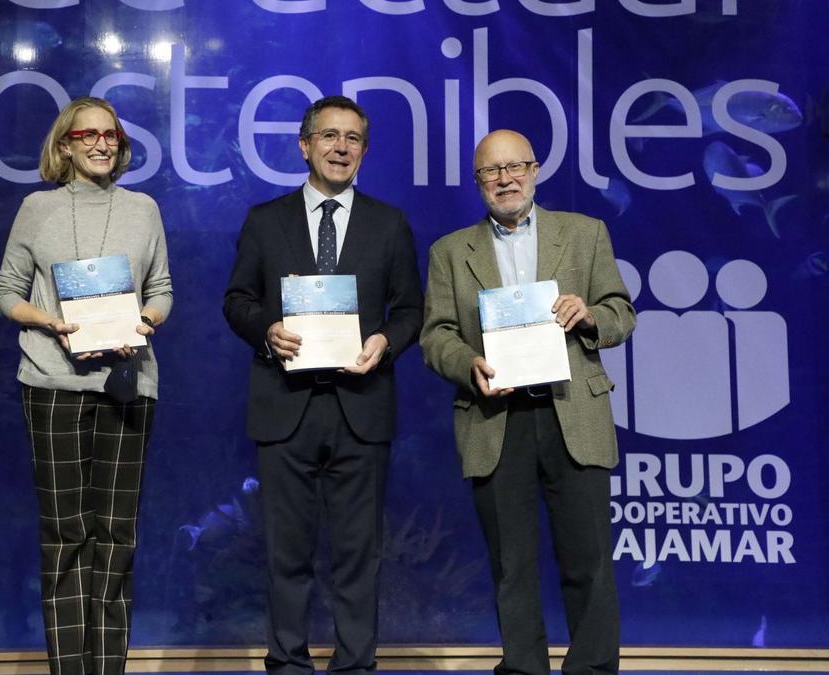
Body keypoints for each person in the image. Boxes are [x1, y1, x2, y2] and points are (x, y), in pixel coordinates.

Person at [420, 129, 636, 675]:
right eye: (492, 171)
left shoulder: (585, 234)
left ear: (536, 170)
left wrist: (589, 317)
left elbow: (621, 312)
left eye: (516, 167)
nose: (506, 179)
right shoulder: (449, 251)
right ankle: (523, 668)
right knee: (511, 565)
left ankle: (591, 669)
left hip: (574, 413)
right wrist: (468, 364)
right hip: (496, 417)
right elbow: (436, 335)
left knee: (588, 561)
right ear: (478, 182)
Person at [223, 95, 422, 675]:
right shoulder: (265, 220)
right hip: (285, 405)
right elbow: (237, 301)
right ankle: (287, 663)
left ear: (364, 150)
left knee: (359, 554)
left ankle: (356, 666)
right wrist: (267, 330)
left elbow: (410, 308)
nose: (341, 148)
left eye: (353, 138)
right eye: (329, 136)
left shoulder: (390, 223)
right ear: (304, 145)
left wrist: (386, 341)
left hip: (362, 405)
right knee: (287, 552)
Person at [0, 96, 172, 675]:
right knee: (65, 534)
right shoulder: (37, 208)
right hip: (51, 383)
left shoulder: (144, 208)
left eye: (111, 135)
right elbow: (5, 294)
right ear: (64, 146)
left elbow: (162, 288)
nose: (101, 143)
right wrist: (52, 322)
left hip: (127, 382)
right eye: (87, 134)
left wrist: (146, 321)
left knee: (117, 535)